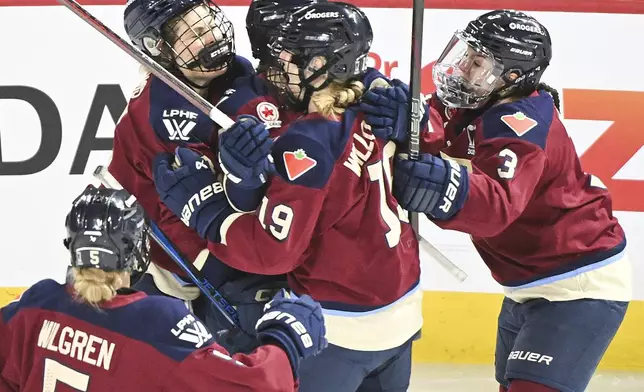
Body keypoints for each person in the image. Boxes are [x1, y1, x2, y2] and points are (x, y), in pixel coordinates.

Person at [151, 2, 422, 391]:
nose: (278, 69)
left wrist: (207, 213)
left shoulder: (307, 142)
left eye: (291, 60)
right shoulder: (372, 103)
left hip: (339, 326)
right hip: (402, 312)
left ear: (321, 67)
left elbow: (274, 252)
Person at [361, 9, 632, 392]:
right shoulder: (472, 101)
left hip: (578, 284)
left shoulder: (523, 124)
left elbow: (495, 207)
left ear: (512, 78)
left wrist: (442, 185)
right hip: (523, 284)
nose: (461, 68)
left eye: (477, 63)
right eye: (464, 54)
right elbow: (440, 130)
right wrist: (414, 123)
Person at [0, 185, 327, 392]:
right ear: (139, 250)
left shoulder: (34, 306)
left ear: (71, 245)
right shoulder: (156, 323)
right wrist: (285, 339)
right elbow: (255, 387)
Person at [110, 0, 289, 354]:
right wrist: (220, 266)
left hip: (220, 230)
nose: (212, 37)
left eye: (209, 23)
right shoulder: (156, 115)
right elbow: (166, 211)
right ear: (157, 48)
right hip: (164, 259)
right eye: (195, 33)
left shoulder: (235, 73)